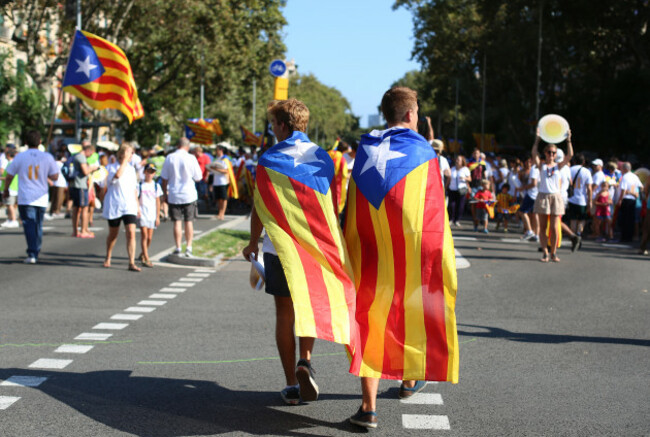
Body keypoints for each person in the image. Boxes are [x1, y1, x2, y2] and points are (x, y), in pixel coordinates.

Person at [344, 87, 458, 428]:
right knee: (413, 311)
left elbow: (352, 201)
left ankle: (368, 409)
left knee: (369, 317)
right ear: (411, 115)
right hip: (415, 249)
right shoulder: (425, 151)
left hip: (371, 246)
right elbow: (435, 209)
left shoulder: (365, 150)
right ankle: (409, 381)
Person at [243, 98, 345, 406]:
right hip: (313, 246)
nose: (272, 129)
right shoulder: (322, 158)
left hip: (279, 249)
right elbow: (331, 204)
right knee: (308, 310)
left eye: (274, 123)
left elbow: (260, 206)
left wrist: (252, 241)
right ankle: (306, 360)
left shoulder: (270, 159)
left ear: (284, 125)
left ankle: (290, 383)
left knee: (284, 314)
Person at [3, 130, 59, 264]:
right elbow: (55, 176)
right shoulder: (47, 157)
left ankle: (33, 252)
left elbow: (9, 175)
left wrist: (6, 190)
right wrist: (45, 174)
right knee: (38, 225)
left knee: (29, 225)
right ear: (40, 142)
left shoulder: (20, 157)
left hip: (26, 196)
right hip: (41, 196)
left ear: (26, 142)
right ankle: (36, 250)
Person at [531, 129, 573, 262]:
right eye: (549, 152)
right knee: (542, 227)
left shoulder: (558, 166)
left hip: (555, 196)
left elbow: (570, 155)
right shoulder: (541, 165)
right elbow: (533, 153)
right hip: (543, 196)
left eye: (553, 153)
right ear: (545, 153)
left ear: (556, 155)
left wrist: (568, 140)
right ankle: (545, 252)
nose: (551, 155)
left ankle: (554, 252)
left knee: (555, 227)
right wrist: (537, 140)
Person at [160, 137, 202, 257]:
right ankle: (188, 247)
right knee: (189, 221)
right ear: (187, 146)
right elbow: (198, 177)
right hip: (189, 194)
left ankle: (178, 247)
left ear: (177, 145)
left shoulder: (170, 157)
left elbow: (164, 178)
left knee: (177, 222)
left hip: (174, 193)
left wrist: (165, 192)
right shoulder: (191, 158)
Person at [102, 143, 141, 271]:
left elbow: (134, 189)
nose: (132, 155)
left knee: (131, 232)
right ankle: (108, 256)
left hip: (129, 205)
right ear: (122, 154)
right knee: (114, 234)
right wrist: (124, 161)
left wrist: (138, 206)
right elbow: (117, 176)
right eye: (130, 152)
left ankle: (131, 262)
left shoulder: (131, 169)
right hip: (115, 204)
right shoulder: (111, 167)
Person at [70, 143, 99, 238]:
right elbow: (85, 171)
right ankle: (83, 230)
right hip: (81, 185)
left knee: (76, 208)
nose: (90, 156)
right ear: (88, 150)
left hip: (76, 185)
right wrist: (93, 168)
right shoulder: (81, 157)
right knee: (84, 208)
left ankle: (76, 231)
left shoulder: (76, 156)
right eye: (91, 154)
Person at [137, 163, 162, 268]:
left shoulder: (156, 186)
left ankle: (143, 252)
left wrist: (158, 216)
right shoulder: (140, 185)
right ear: (144, 172)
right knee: (144, 235)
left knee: (150, 237)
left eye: (152, 172)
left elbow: (158, 201)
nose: (149, 174)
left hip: (152, 213)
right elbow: (137, 199)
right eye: (148, 171)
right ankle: (146, 258)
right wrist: (138, 209)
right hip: (143, 212)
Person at [567, 153, 593, 237]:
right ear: (583, 162)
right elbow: (589, 188)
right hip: (582, 199)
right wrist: (590, 200)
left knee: (573, 218)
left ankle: (573, 235)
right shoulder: (586, 171)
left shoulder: (570, 169)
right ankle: (579, 233)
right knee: (582, 218)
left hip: (571, 198)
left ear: (574, 161)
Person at [616, 162, 642, 242]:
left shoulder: (625, 177)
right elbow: (641, 187)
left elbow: (623, 190)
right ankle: (629, 237)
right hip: (633, 199)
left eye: (622, 169)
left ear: (625, 169)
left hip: (626, 199)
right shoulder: (634, 176)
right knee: (631, 219)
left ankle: (624, 237)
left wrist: (620, 200)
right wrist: (635, 193)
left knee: (624, 219)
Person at [517, 156, 539, 241]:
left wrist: (524, 188)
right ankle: (536, 234)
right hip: (537, 194)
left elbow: (534, 183)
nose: (529, 161)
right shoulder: (540, 167)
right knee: (535, 215)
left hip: (532, 194)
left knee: (522, 211)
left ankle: (530, 231)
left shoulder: (534, 168)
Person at [207, 145, 232, 220]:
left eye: (217, 150)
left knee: (223, 198)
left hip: (223, 181)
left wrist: (216, 169)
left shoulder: (225, 159)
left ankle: (222, 214)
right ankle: (219, 213)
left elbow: (227, 171)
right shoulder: (215, 159)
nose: (215, 151)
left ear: (221, 150)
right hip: (216, 181)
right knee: (218, 199)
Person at [447, 155, 470, 227]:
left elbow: (470, 179)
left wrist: (464, 178)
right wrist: (445, 187)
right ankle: (451, 219)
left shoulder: (465, 169)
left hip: (461, 189)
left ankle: (457, 220)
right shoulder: (452, 169)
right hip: (452, 189)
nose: (457, 161)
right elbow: (449, 179)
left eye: (459, 160)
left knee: (460, 206)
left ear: (462, 162)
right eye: (456, 159)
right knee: (451, 205)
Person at [1, 148, 19, 228]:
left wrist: (1, 178)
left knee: (10, 205)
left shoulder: (10, 164)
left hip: (10, 187)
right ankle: (10, 219)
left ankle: (13, 220)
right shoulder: (15, 164)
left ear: (8, 155)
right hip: (14, 187)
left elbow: (8, 177)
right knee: (9, 205)